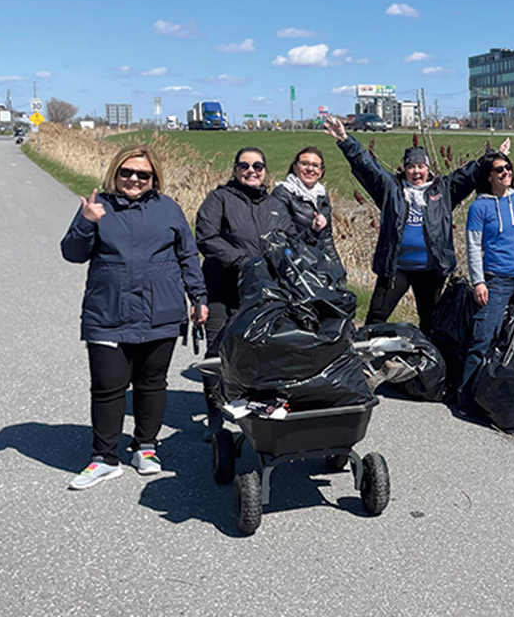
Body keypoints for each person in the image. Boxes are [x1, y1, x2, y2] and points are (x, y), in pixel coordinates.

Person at [60, 145, 207, 490]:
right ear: (116, 172)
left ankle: (146, 446)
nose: (134, 179)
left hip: (161, 310)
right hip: (108, 311)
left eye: (143, 174)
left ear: (154, 177)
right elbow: (72, 254)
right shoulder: (98, 207)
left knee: (151, 383)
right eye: (127, 172)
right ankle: (104, 458)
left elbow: (188, 255)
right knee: (108, 387)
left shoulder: (169, 208)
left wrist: (198, 297)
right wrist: (86, 222)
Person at [324, 116, 503, 328]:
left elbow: (468, 174)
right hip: (396, 268)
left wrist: (492, 158)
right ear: (404, 169)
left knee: (430, 322)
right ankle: (369, 355)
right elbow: (367, 166)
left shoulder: (443, 189)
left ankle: (427, 359)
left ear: (427, 168)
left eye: (421, 166)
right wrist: (345, 139)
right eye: (411, 167)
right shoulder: (390, 188)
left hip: (430, 269)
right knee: (376, 317)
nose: (416, 171)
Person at [460, 151, 514, 403]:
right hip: (496, 281)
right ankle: (466, 396)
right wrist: (478, 281)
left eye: (508, 168)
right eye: (500, 169)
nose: (506, 172)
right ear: (489, 176)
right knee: (483, 336)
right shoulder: (479, 207)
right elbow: (473, 247)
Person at [195, 147, 297, 351]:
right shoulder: (219, 198)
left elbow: (291, 240)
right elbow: (207, 237)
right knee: (219, 354)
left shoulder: (275, 204)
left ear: (265, 170)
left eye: (258, 166)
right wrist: (245, 263)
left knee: (256, 356)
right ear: (236, 170)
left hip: (264, 293)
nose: (252, 170)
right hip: (224, 292)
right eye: (245, 166)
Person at [271, 146, 344, 279]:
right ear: (295, 167)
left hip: (318, 264)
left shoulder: (321, 195)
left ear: (321, 172)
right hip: (292, 268)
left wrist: (337, 268)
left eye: (315, 166)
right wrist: (313, 231)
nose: (310, 169)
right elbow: (282, 240)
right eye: (304, 164)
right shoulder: (283, 193)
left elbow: (327, 237)